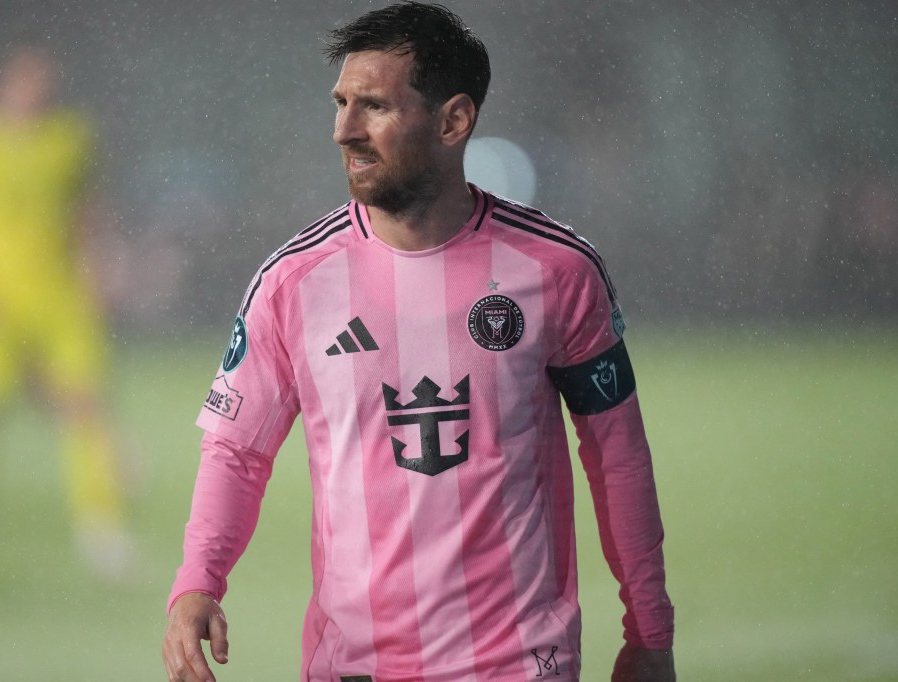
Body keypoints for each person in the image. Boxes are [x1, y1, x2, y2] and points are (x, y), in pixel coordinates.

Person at [163, 3, 675, 680]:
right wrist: (197, 582)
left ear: (453, 120)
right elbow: (236, 449)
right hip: (356, 667)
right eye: (341, 104)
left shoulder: (556, 271)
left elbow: (617, 455)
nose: (344, 130)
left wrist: (650, 630)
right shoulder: (293, 283)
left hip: (519, 664)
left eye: (372, 106)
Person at [0, 46, 133, 581]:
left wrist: (97, 271)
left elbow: (88, 212)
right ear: (4, 82)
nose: (38, 90)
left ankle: (103, 534)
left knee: (85, 409)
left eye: (45, 80)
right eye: (27, 79)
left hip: (61, 302)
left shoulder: (69, 138)